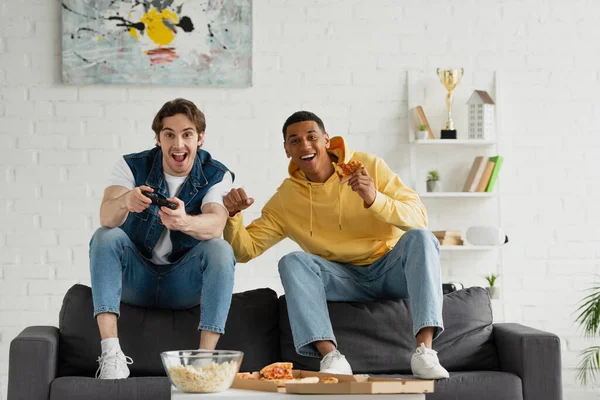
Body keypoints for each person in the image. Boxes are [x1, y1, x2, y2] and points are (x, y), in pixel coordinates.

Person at [222, 111, 449, 379]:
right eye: (294, 140)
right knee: (292, 261)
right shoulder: (286, 199)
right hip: (341, 279)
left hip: (389, 269)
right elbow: (244, 250)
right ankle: (331, 356)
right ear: (286, 150)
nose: (305, 146)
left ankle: (425, 352)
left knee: (421, 238)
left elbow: (418, 218)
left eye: (312, 137)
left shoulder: (369, 167)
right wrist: (233, 216)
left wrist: (374, 198)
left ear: (326, 140)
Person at [89, 98, 235, 379]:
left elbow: (216, 223)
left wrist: (185, 222)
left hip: (184, 284)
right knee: (105, 237)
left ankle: (204, 362)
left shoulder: (217, 174)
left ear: (200, 138)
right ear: (158, 138)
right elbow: (106, 216)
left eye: (187, 134)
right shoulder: (131, 166)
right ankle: (111, 354)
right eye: (169, 134)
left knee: (220, 249)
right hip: (137, 279)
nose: (178, 144)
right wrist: (125, 201)